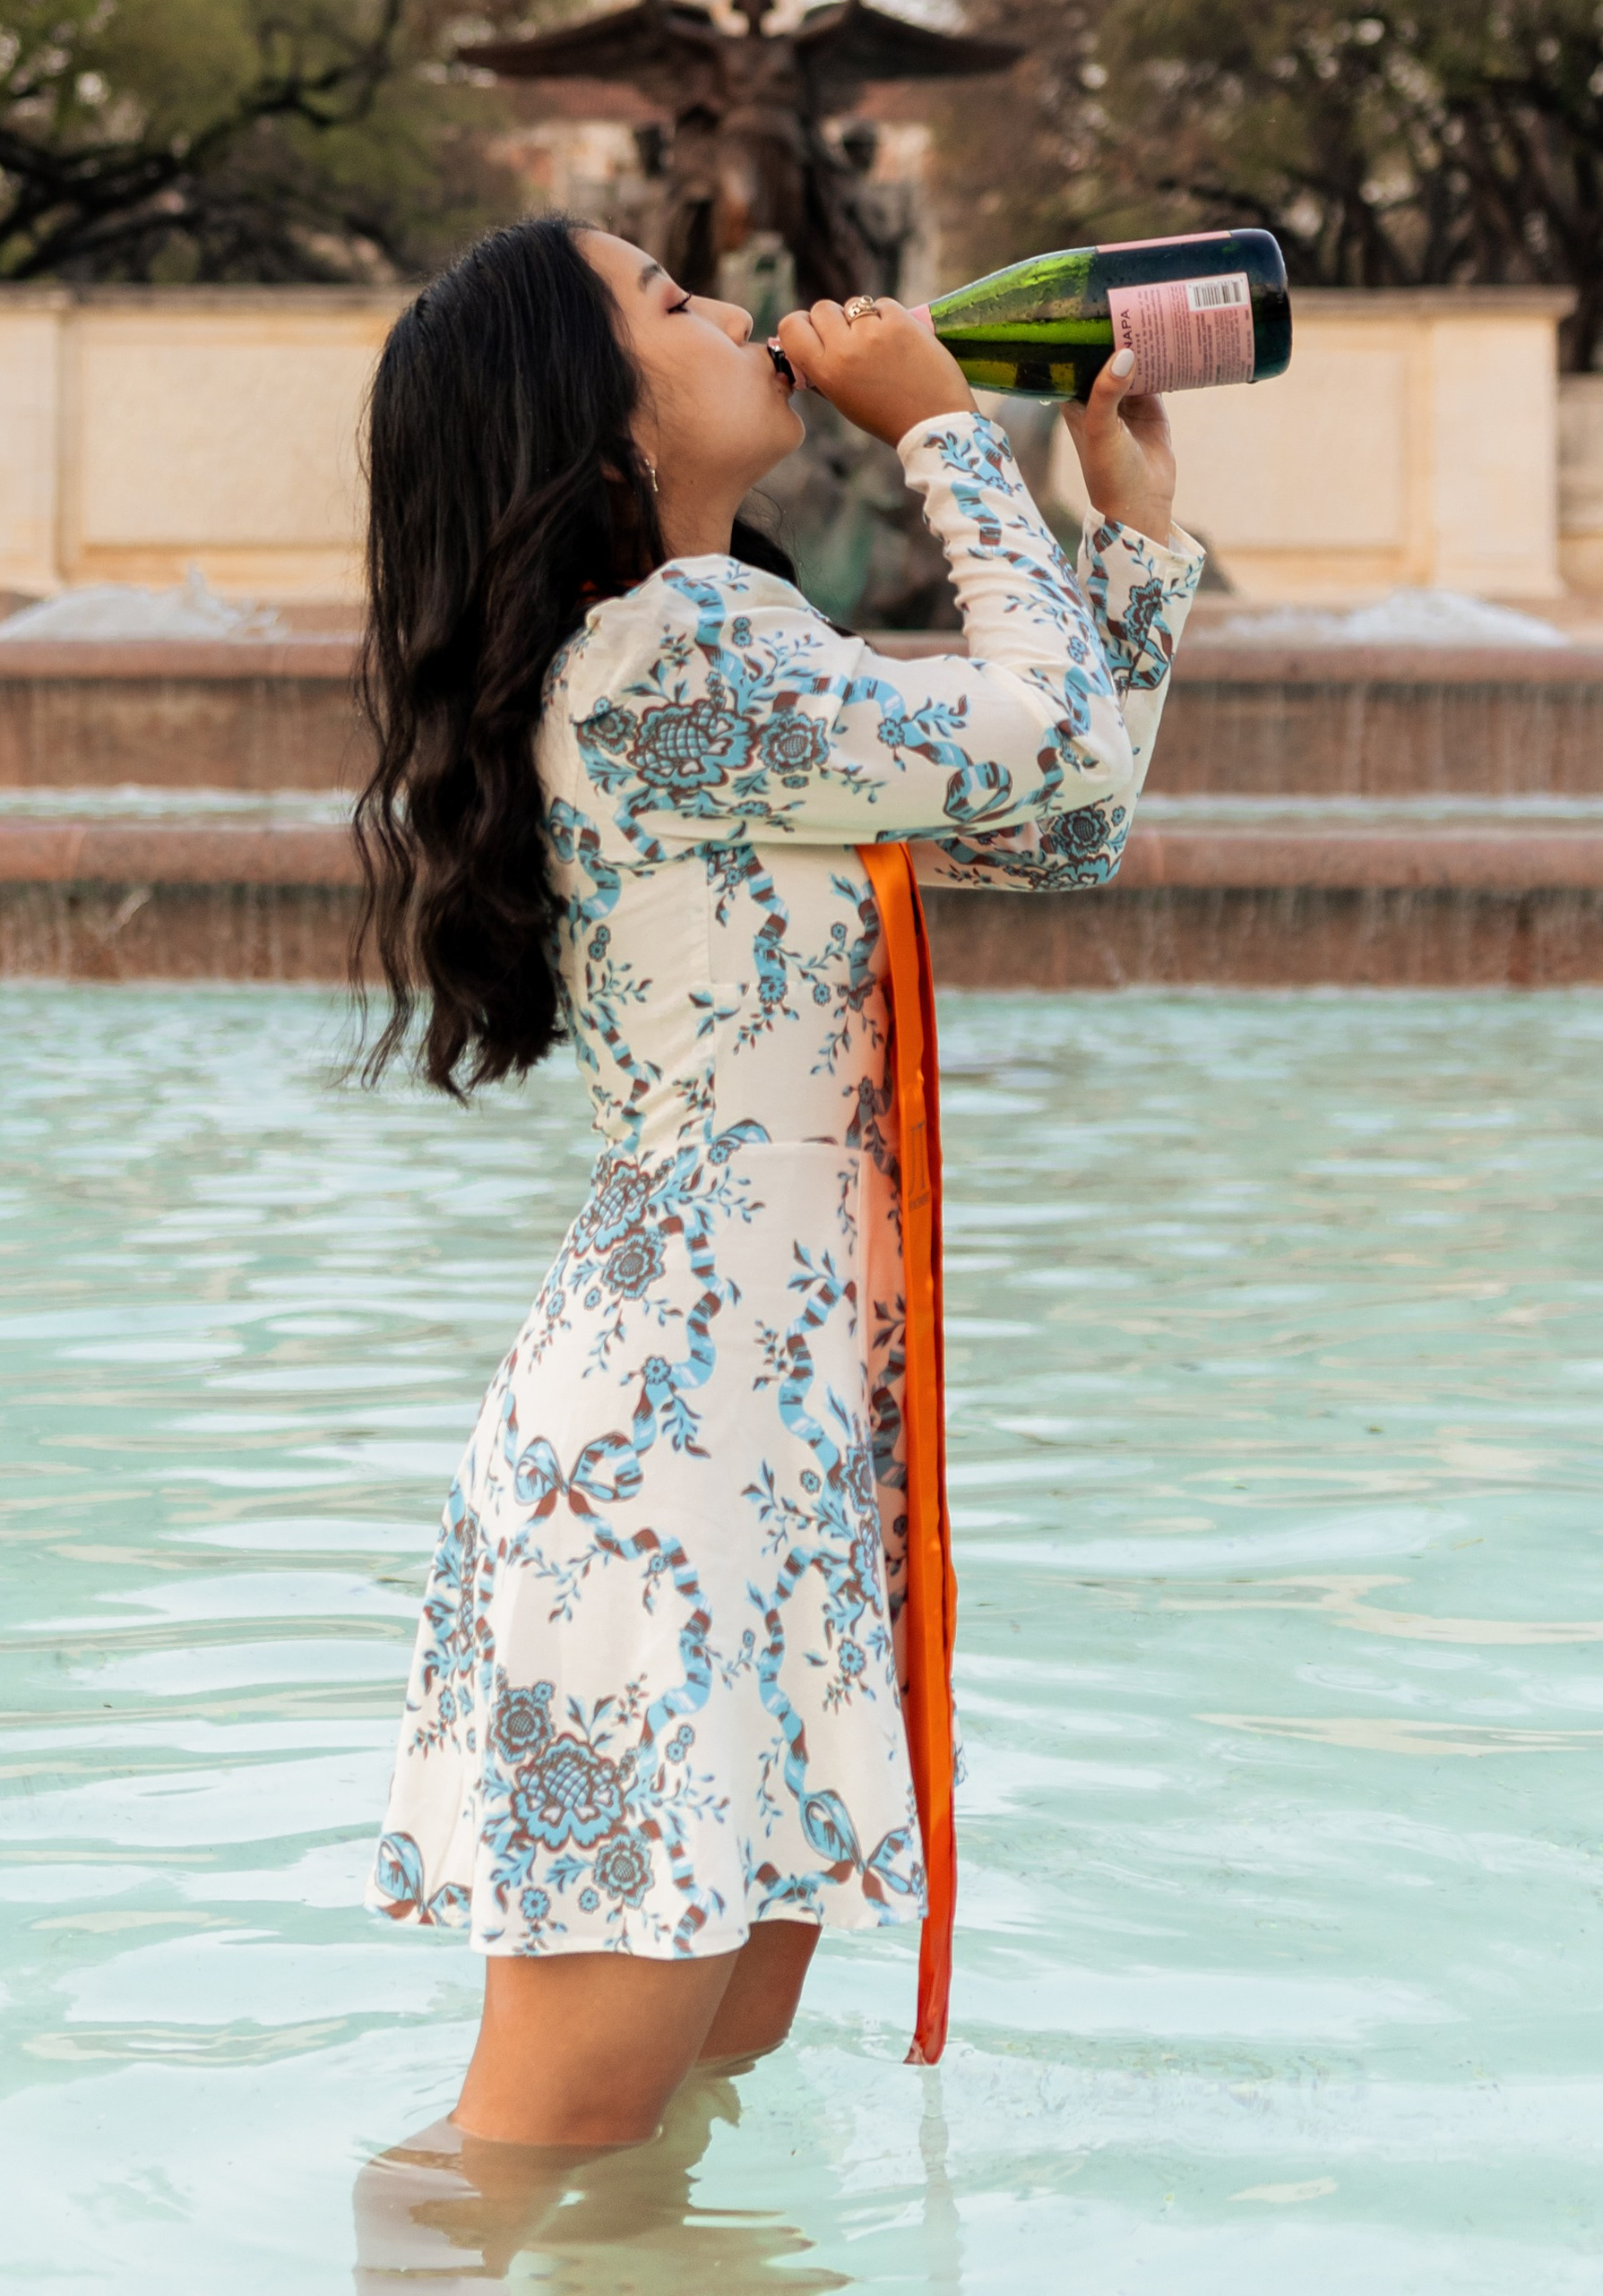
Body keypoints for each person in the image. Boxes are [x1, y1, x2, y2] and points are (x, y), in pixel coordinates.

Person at [350, 216, 1202, 2220]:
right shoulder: (673, 653)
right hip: (674, 1457)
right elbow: (1045, 738)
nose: (737, 309)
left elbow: (1055, 817)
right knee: (534, 2140)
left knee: (669, 2115)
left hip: (760, 1432)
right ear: (591, 413)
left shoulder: (723, 646)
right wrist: (942, 434)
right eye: (667, 300)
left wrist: (1132, 545)